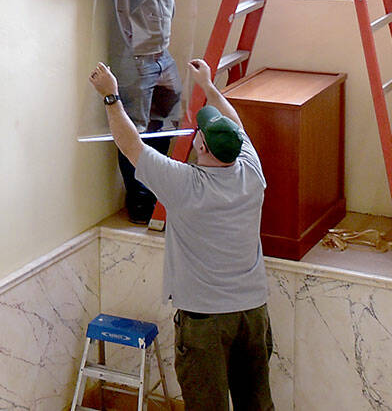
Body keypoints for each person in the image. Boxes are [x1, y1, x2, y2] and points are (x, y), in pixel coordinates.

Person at [88, 57, 274, 411]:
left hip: (205, 322)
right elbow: (236, 124)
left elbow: (131, 146)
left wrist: (110, 96)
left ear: (201, 147)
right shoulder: (251, 172)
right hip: (252, 313)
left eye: (199, 133)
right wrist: (208, 86)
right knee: (258, 404)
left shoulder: (185, 186)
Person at [82, 0, 216, 223]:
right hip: (133, 59)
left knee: (169, 123)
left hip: (163, 54)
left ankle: (161, 189)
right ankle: (140, 204)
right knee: (135, 133)